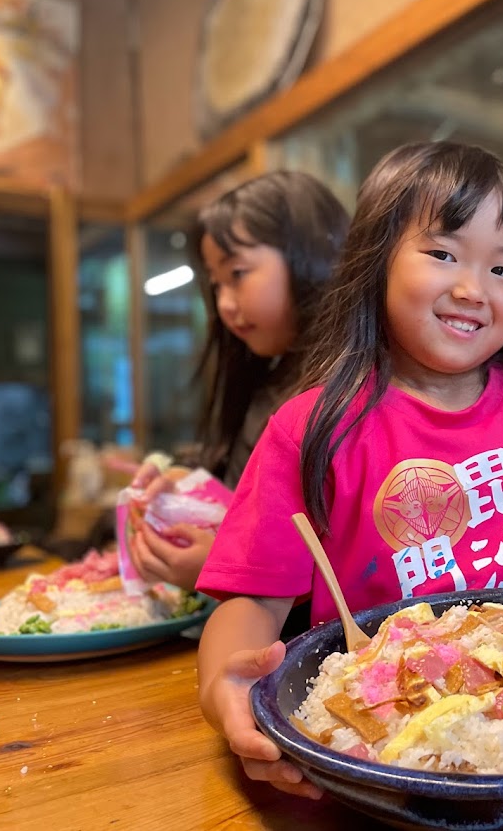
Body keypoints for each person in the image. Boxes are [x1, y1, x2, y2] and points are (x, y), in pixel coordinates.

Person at [194, 141, 503, 798]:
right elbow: (250, 604)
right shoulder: (309, 428)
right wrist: (222, 688)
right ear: (374, 261)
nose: (472, 288)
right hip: (394, 757)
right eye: (442, 254)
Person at [127, 171, 351, 592]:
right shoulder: (274, 380)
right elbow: (253, 512)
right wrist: (191, 489)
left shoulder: (347, 389)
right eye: (215, 283)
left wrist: (225, 571)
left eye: (238, 274)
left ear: (312, 258)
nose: (225, 304)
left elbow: (360, 565)